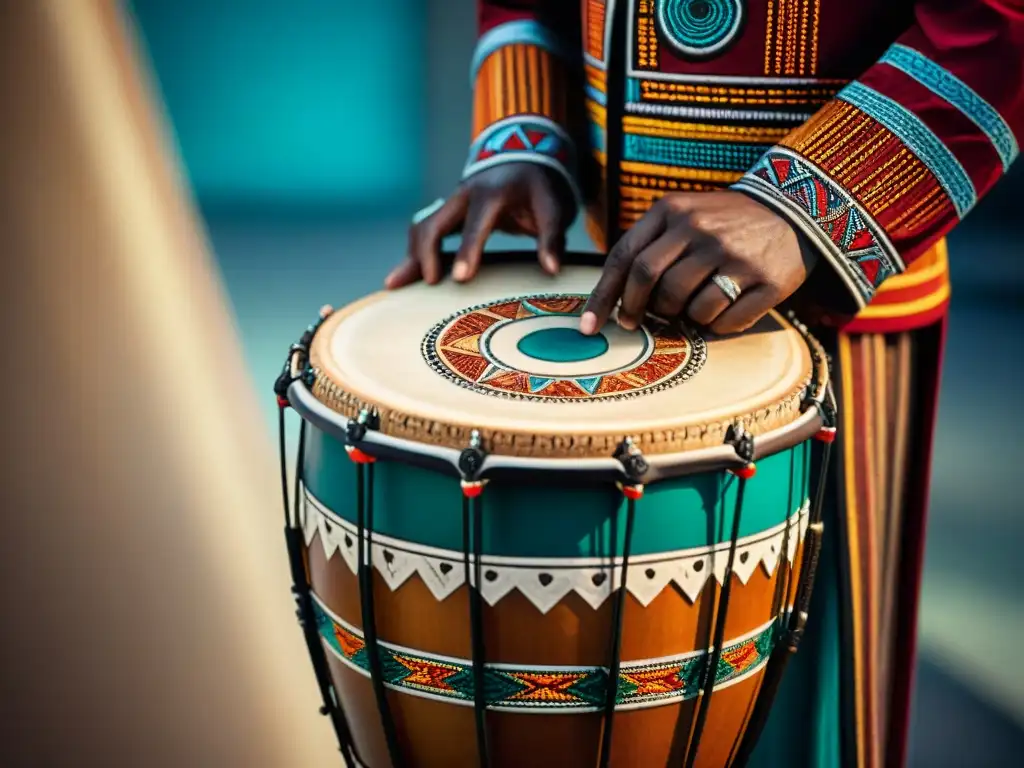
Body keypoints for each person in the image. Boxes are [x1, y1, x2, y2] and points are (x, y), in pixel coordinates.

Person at [386, 2, 1023, 766]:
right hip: (609, 284)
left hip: (829, 310)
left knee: (798, 727)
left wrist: (800, 209)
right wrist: (522, 135)